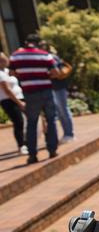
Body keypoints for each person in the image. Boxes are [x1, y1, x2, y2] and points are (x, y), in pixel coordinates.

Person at [9, 33, 59, 165]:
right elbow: (56, 73)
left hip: (30, 93)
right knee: (51, 120)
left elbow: (12, 73)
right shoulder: (45, 55)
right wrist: (44, 75)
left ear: (26, 42)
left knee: (32, 123)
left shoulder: (15, 56)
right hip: (46, 91)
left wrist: (25, 77)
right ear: (38, 43)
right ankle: (52, 149)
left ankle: (32, 154)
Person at [43, 42, 74, 143]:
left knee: (63, 110)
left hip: (58, 87)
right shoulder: (47, 57)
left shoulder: (51, 57)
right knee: (59, 111)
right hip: (55, 87)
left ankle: (69, 134)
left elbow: (55, 72)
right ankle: (67, 134)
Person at [0, 52, 27, 154]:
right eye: (3, 59)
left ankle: (28, 142)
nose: (6, 60)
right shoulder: (0, 74)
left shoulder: (8, 71)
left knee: (27, 121)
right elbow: (7, 90)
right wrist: (19, 102)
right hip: (8, 101)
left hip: (20, 97)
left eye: (6, 58)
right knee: (19, 121)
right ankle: (21, 145)